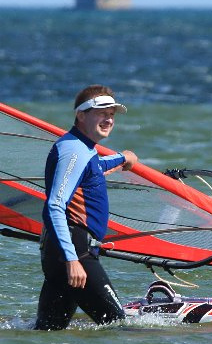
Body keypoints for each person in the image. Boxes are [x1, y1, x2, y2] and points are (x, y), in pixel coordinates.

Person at [34, 85, 138, 330]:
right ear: (81, 115)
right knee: (119, 328)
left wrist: (122, 158)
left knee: (46, 334)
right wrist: (72, 260)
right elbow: (55, 206)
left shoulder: (81, 148)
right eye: (101, 112)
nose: (109, 119)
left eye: (112, 113)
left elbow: (91, 170)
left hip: (62, 251)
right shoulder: (73, 151)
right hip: (74, 251)